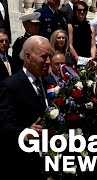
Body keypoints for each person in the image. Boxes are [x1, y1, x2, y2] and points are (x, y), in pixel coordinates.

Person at [0, 35, 51, 180]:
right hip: (23, 164)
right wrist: (25, 133)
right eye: (43, 56)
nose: (48, 61)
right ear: (28, 56)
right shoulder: (10, 85)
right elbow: (5, 125)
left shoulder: (48, 84)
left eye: (49, 56)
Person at [68, 1, 96, 66]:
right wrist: (77, 58)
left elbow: (93, 45)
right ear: (75, 11)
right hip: (75, 60)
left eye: (84, 10)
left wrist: (93, 59)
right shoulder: (70, 26)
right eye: (79, 10)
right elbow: (70, 45)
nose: (82, 12)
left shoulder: (91, 27)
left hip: (88, 59)